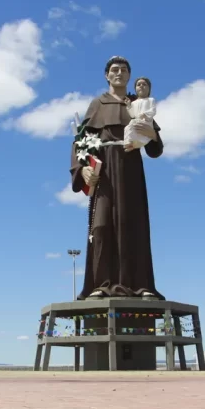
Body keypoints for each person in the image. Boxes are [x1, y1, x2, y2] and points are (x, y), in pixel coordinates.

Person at [69, 56, 165, 300]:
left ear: (129, 75)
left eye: (124, 70)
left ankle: (141, 285)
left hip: (131, 169)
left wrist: (153, 134)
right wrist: (82, 169)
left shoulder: (139, 104)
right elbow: (80, 141)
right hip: (104, 173)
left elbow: (155, 149)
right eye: (114, 69)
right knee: (101, 226)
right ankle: (100, 284)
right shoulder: (98, 104)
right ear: (107, 75)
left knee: (134, 225)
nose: (119, 73)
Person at [123, 77, 156, 149]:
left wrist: (145, 114)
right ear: (135, 89)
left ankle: (136, 141)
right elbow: (132, 115)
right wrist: (129, 105)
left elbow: (153, 110)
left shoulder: (150, 100)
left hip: (146, 122)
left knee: (133, 124)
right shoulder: (134, 103)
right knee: (127, 127)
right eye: (138, 84)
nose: (141, 86)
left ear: (149, 88)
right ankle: (129, 143)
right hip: (136, 121)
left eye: (144, 84)